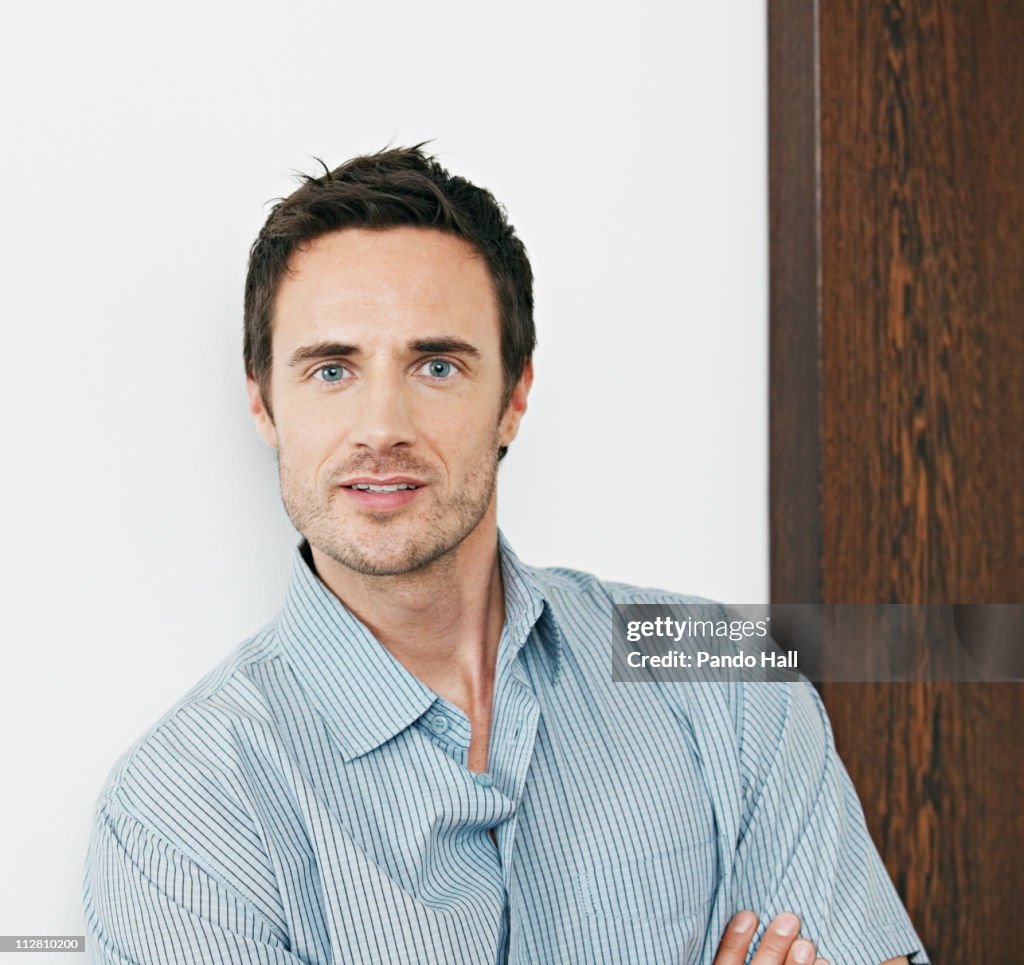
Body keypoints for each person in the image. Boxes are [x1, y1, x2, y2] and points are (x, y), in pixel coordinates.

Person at [83, 146, 927, 965]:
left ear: (514, 395)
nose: (383, 427)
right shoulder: (179, 816)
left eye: (437, 364)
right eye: (332, 369)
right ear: (264, 401)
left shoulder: (728, 675)